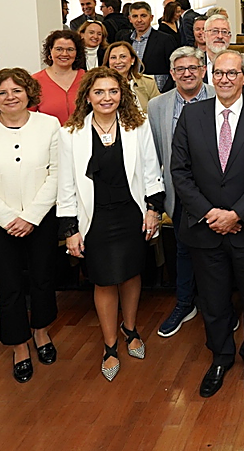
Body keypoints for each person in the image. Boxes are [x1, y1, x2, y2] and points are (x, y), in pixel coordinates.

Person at [171, 51, 244, 398]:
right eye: (219, 73)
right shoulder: (192, 115)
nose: (225, 79)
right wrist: (210, 214)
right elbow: (180, 172)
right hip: (205, 229)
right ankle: (220, 357)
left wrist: (237, 214)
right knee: (214, 301)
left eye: (233, 73)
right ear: (210, 76)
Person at [59, 67, 164, 382]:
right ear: (88, 96)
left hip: (130, 214)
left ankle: (130, 329)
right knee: (104, 281)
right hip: (94, 218)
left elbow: (150, 169)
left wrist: (153, 210)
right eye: (99, 92)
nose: (107, 98)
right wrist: (70, 229)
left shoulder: (137, 125)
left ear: (123, 95)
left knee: (131, 274)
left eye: (113, 91)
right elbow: (65, 185)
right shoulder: (70, 133)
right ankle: (109, 345)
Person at [0, 68, 61, 383]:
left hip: (41, 219)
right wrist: (8, 219)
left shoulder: (49, 125)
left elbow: (57, 174)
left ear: (29, 93)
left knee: (43, 279)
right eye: (2, 92)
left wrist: (31, 216)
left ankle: (42, 333)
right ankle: (19, 346)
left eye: (17, 90)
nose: (10, 97)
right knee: (10, 286)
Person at [146, 47, 214, 340]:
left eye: (193, 68)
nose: (187, 73)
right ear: (172, 74)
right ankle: (185, 304)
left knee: (216, 254)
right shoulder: (157, 106)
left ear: (202, 70)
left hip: (214, 193)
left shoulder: (218, 95)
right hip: (177, 193)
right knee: (183, 251)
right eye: (180, 69)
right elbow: (154, 152)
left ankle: (217, 306)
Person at [32, 29, 86, 125]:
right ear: (50, 51)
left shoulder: (88, 78)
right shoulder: (34, 81)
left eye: (70, 49)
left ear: (77, 53)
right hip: (50, 138)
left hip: (85, 137)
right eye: (59, 49)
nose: (64, 54)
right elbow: (28, 116)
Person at [123, 1, 172, 89]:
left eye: (143, 16)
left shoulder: (165, 40)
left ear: (151, 17)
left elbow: (173, 69)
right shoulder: (124, 40)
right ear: (130, 19)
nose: (139, 20)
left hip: (157, 91)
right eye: (135, 16)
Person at [105, 40, 160, 112]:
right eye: (113, 57)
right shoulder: (100, 84)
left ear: (132, 60)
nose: (118, 61)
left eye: (123, 56)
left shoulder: (148, 82)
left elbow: (159, 110)